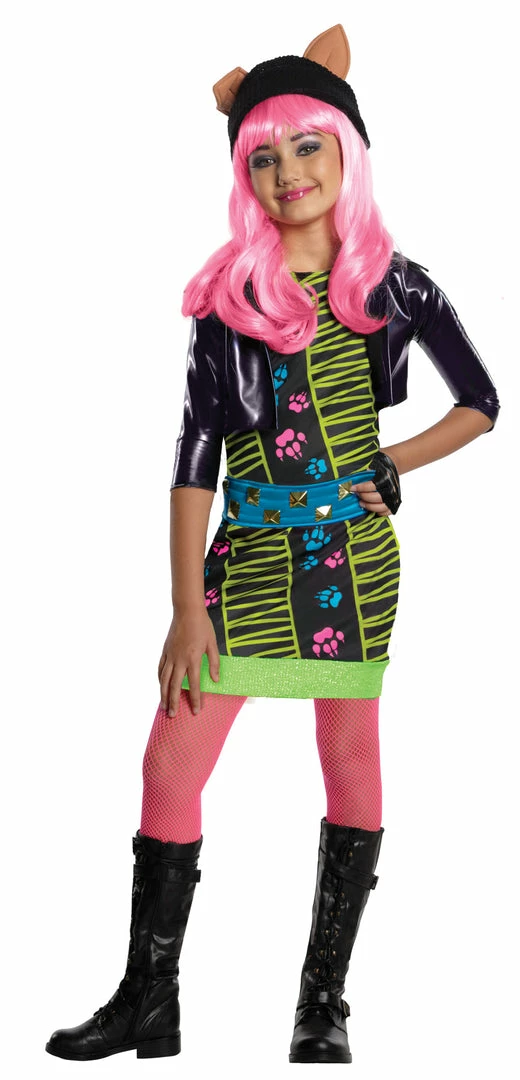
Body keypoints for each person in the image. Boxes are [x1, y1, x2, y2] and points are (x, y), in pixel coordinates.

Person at [45, 24, 499, 1066]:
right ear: (243, 175)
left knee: (349, 758)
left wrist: (395, 464)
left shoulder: (395, 286)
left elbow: (480, 402)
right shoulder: (230, 301)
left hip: (353, 564)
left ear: (347, 149)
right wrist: (186, 606)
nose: (288, 172)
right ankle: (149, 999)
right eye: (262, 155)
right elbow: (195, 458)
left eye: (306, 146)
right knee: (170, 761)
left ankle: (322, 1003)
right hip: (245, 562)